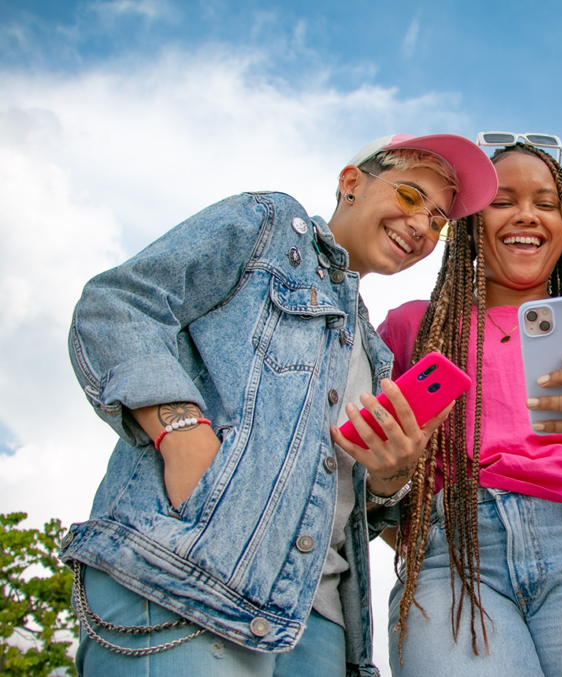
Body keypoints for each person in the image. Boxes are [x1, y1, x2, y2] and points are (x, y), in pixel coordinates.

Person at [60, 133, 498, 677]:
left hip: (322, 625)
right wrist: (180, 428)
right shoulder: (270, 226)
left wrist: (390, 477)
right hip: (191, 576)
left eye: (438, 221)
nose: (422, 226)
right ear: (351, 182)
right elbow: (118, 305)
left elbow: (337, 507)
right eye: (411, 197)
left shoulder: (376, 353)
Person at [352, 140, 562, 676]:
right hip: (451, 558)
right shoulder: (414, 326)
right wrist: (425, 528)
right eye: (503, 201)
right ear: (471, 226)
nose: (526, 214)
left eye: (546, 203)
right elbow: (376, 475)